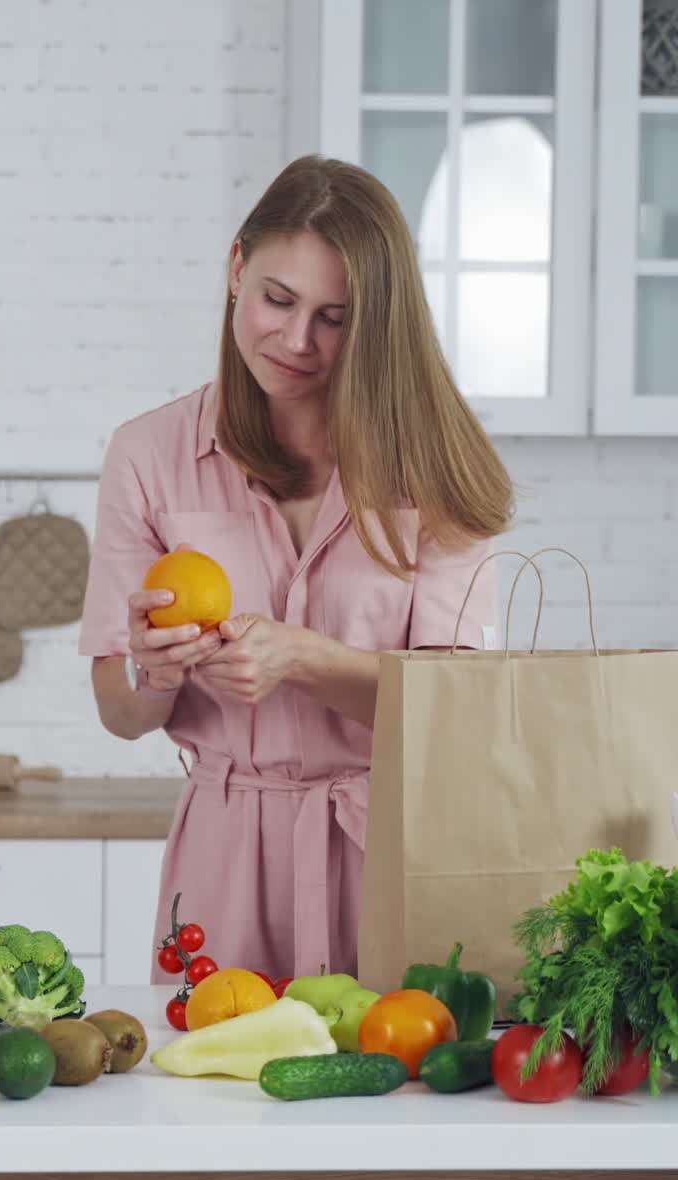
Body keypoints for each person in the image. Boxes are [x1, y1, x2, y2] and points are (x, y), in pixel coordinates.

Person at [77, 154, 514, 984]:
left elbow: (463, 717)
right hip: (223, 858)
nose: (296, 340)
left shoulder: (436, 467)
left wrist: (302, 659)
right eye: (278, 300)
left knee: (403, 1099)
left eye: (335, 317)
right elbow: (121, 713)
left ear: (376, 324)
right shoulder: (148, 455)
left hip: (395, 855)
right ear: (237, 267)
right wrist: (153, 667)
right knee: (209, 1099)